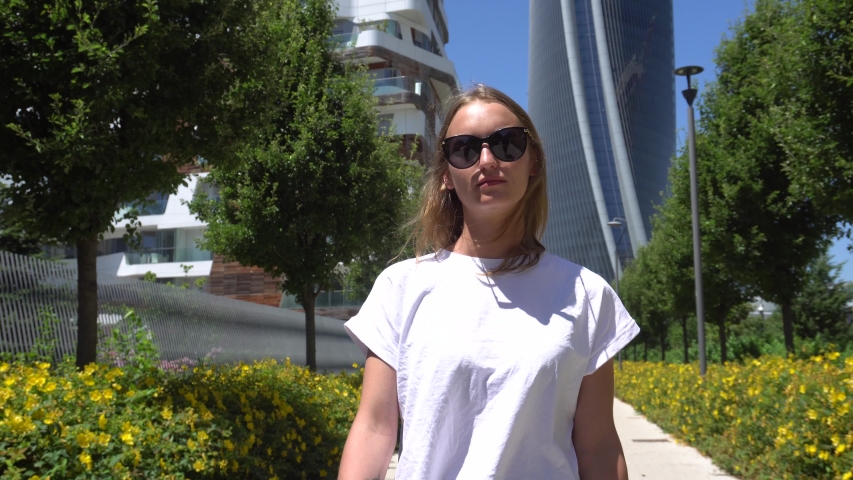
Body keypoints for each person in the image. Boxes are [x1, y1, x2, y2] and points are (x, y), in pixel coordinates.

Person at [338, 85, 638, 480]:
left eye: (507, 144)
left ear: (533, 162)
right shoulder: (402, 287)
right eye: (464, 148)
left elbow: (598, 446)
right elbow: (374, 430)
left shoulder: (587, 294)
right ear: (446, 174)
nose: (487, 160)